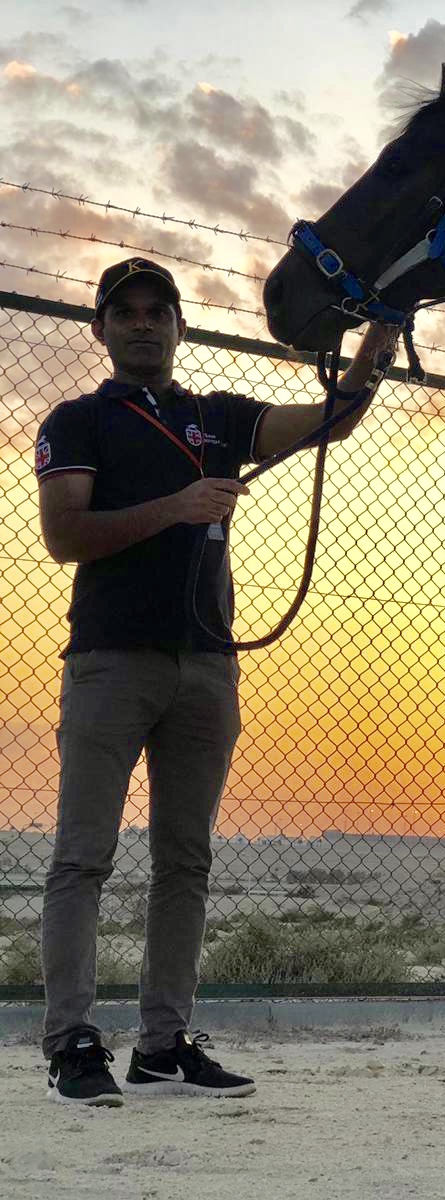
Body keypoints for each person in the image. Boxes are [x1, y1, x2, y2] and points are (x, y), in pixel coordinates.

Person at [32, 257, 397, 1106]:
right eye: (124, 312)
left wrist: (375, 345)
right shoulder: (78, 421)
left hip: (207, 665)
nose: (142, 324)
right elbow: (65, 535)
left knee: (185, 861)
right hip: (111, 660)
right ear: (102, 329)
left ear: (178, 325)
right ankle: (71, 1042)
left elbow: (331, 422)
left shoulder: (216, 417)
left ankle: (163, 1044)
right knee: (83, 858)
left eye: (157, 311)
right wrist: (178, 507)